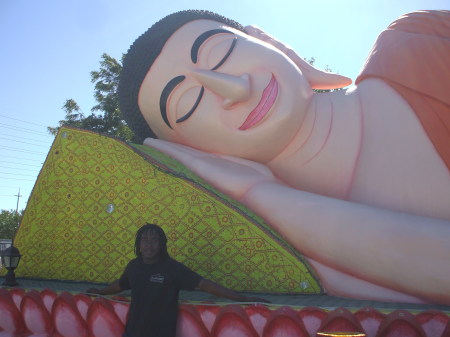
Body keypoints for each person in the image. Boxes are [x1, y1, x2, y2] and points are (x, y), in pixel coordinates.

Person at [117, 10, 450, 305]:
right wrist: (263, 198)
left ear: (268, 42)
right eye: (189, 105)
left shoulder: (419, 42)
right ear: (191, 153)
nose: (235, 88)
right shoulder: (292, 256)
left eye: (223, 51)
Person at [87, 223, 268, 337]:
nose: (149, 244)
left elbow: (205, 285)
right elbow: (120, 285)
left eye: (154, 240)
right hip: (132, 332)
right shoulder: (133, 266)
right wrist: (100, 292)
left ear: (162, 244)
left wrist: (244, 299)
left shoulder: (172, 268)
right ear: (138, 245)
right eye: (145, 240)